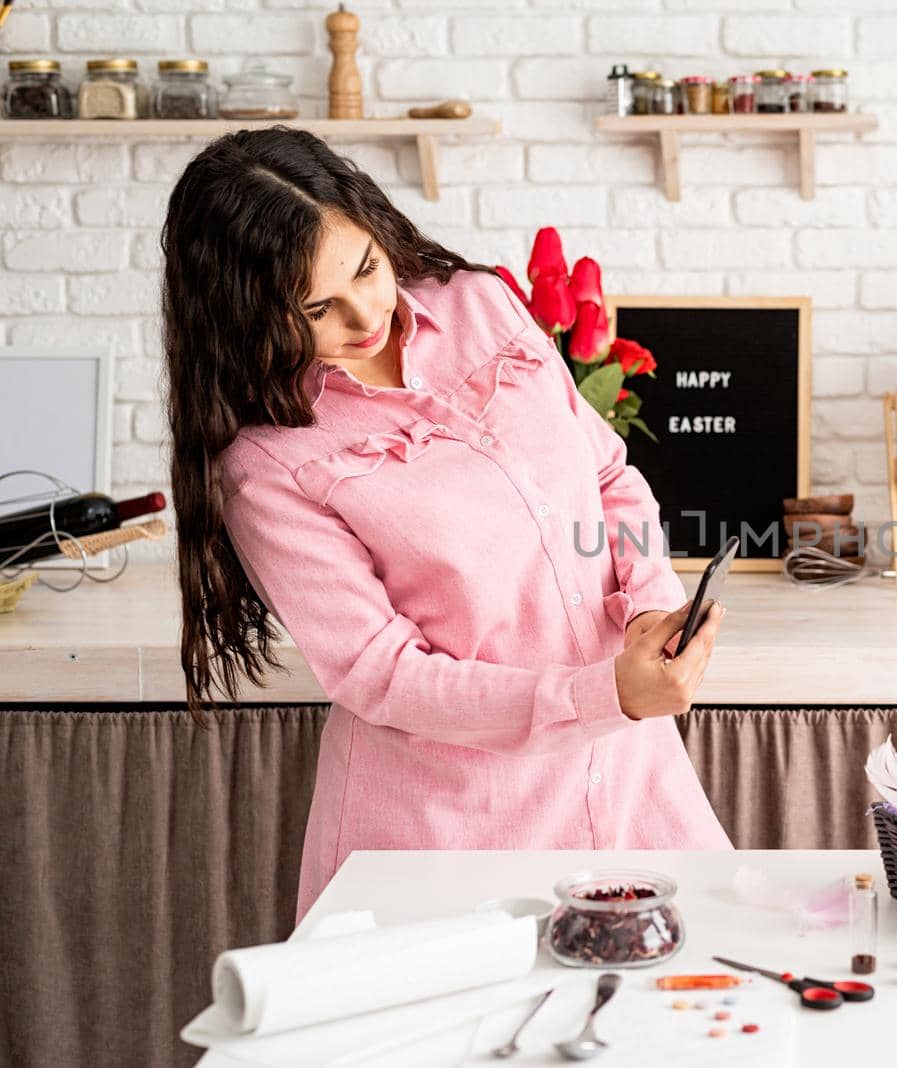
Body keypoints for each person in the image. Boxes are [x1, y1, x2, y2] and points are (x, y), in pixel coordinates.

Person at [162, 128, 731, 922]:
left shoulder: (481, 304)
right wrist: (603, 692)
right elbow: (384, 675)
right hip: (450, 832)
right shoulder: (268, 465)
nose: (368, 315)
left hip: (632, 782)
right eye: (318, 309)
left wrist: (650, 605)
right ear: (245, 315)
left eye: (365, 267)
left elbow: (606, 475)